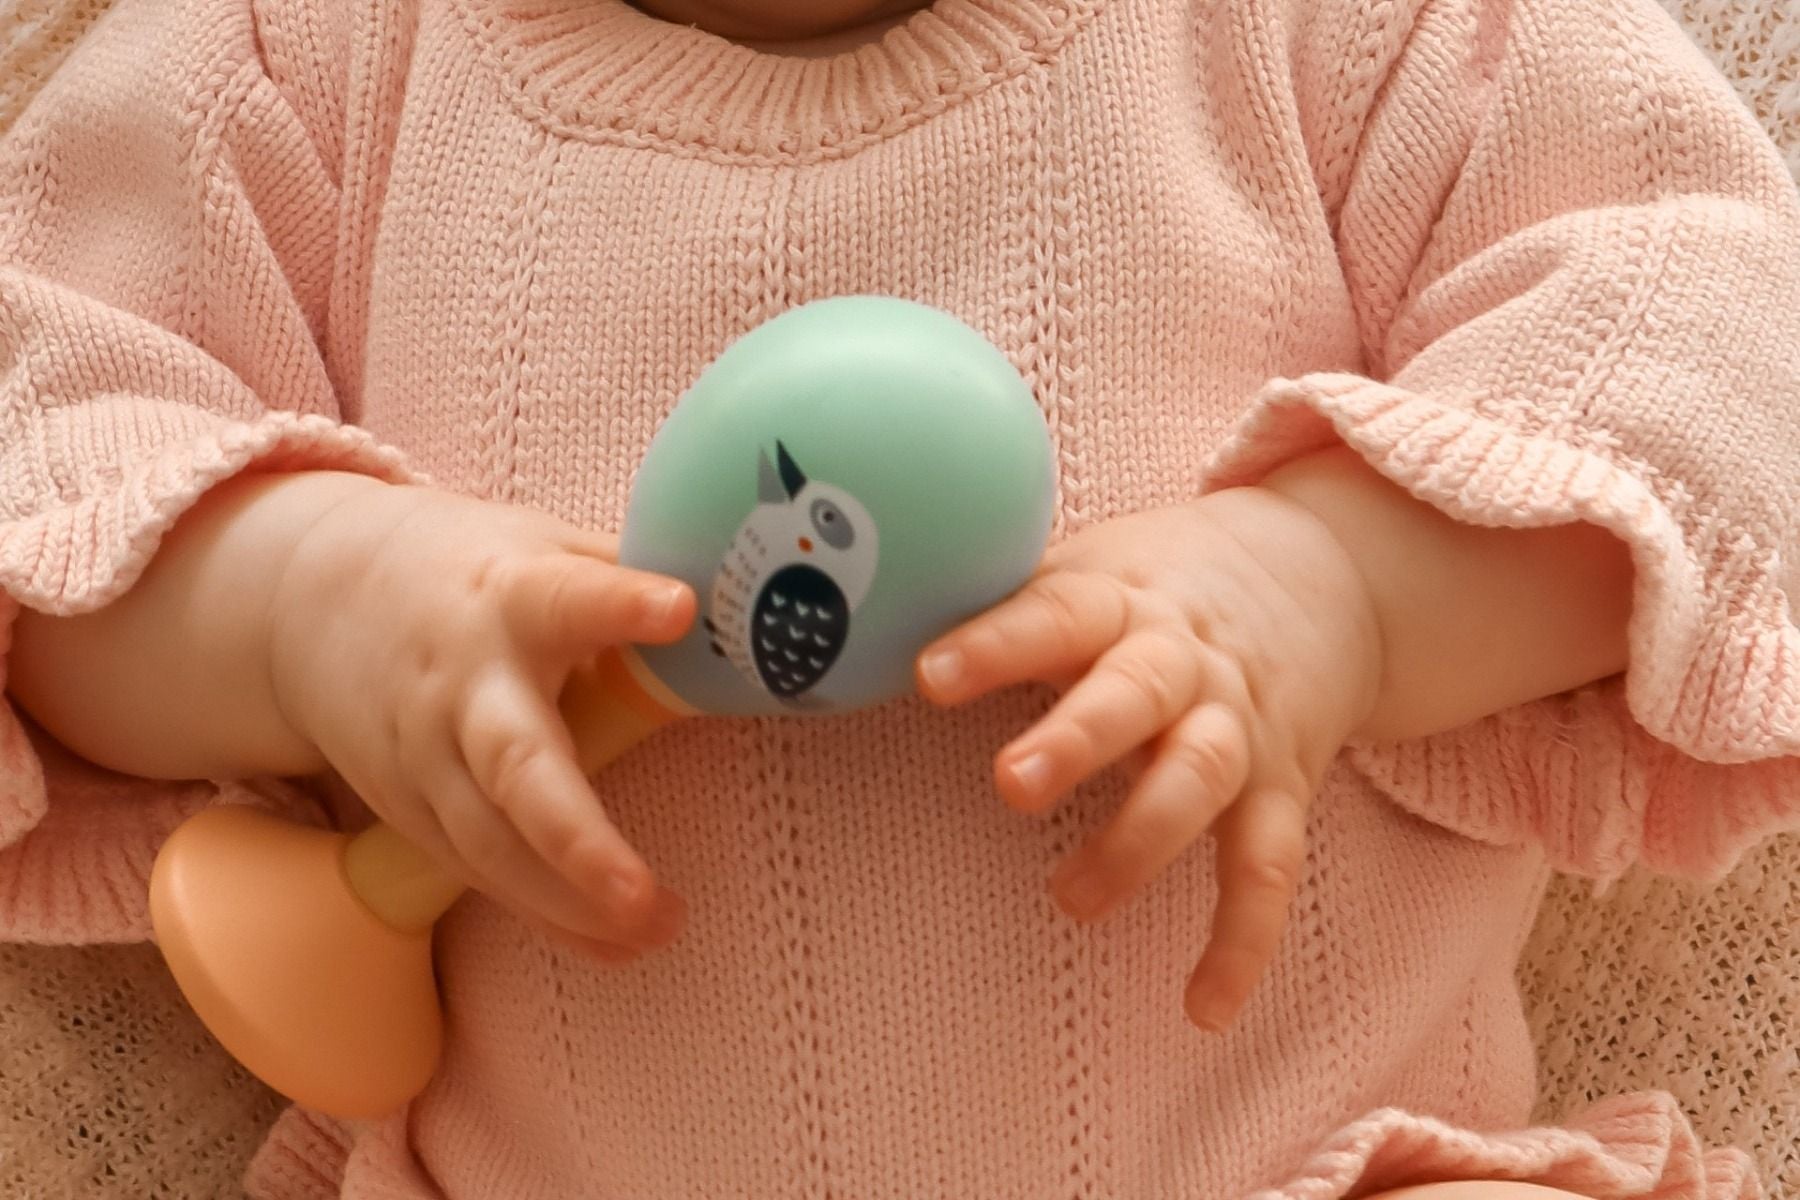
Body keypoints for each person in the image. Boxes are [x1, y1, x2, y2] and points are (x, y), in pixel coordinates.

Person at [2, 0, 1796, 1194]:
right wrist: (296, 602)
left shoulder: (1347, 31)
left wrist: (1343, 583)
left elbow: (1709, 359)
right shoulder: (286, 59)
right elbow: (47, 484)